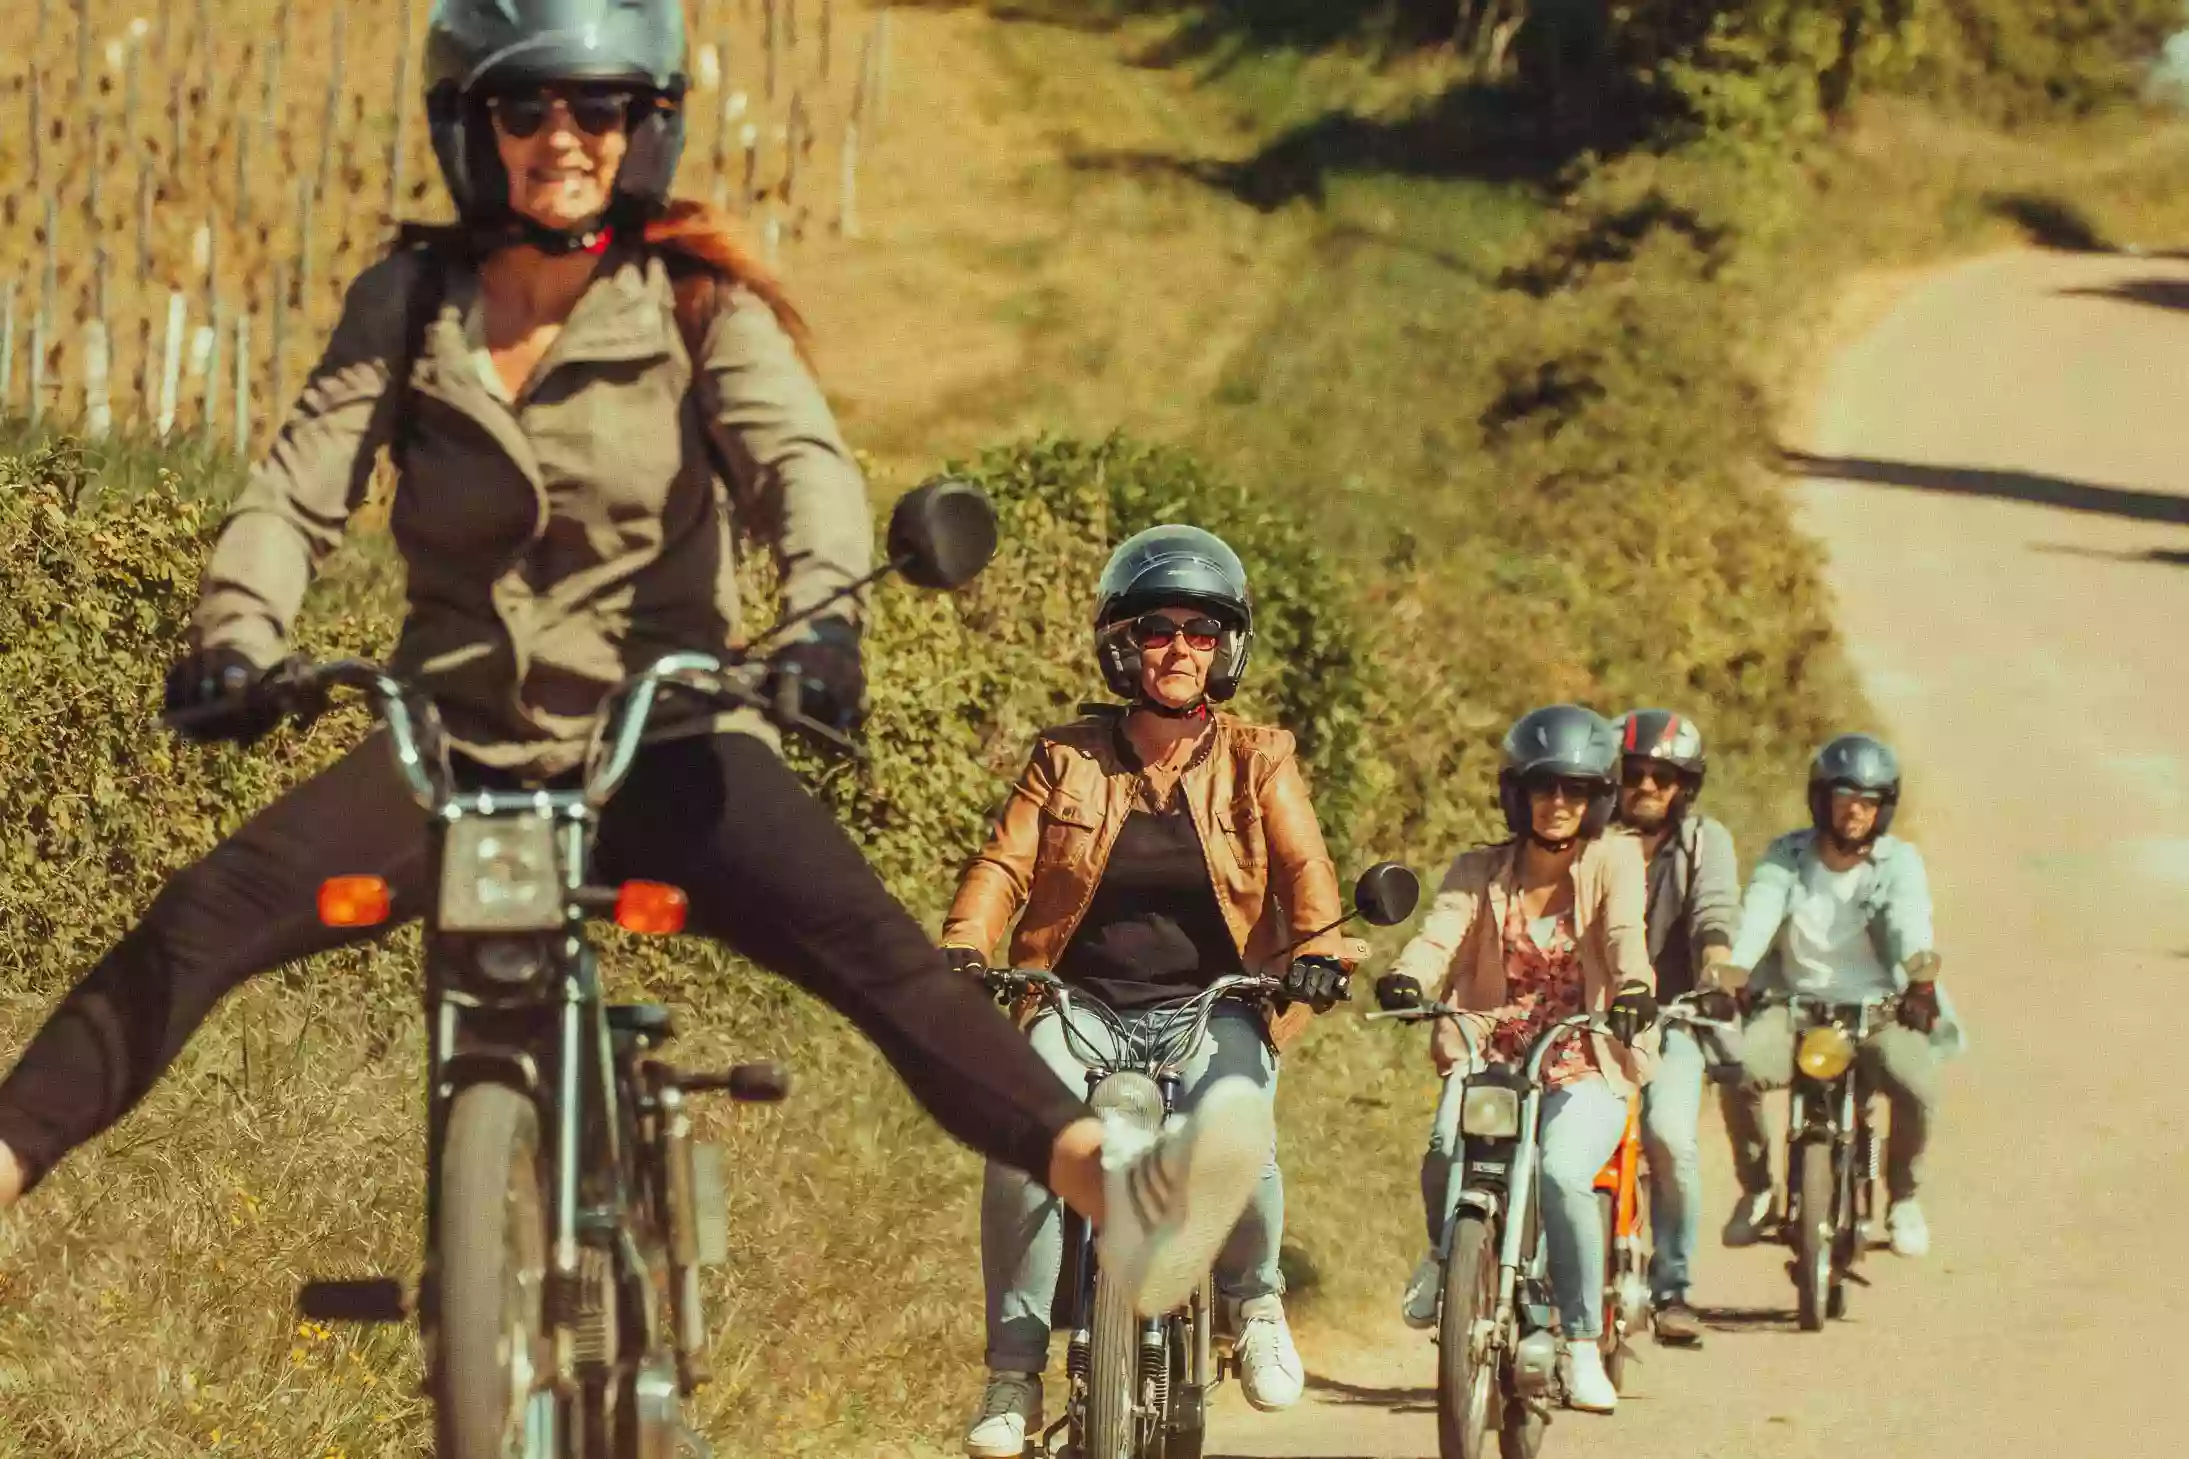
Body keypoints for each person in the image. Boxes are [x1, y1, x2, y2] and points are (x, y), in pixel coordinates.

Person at [0, 0, 1272, 1337]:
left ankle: (1115, 1186)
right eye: (526, 108)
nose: (563, 138)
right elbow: (294, 492)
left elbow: (803, 473)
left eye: (597, 108)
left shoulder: (694, 300)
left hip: (662, 737)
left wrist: (825, 624)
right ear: (468, 125)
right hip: (455, 739)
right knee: (204, 915)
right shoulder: (413, 301)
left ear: (644, 126)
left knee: (875, 952)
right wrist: (236, 638)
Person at [939, 526, 1359, 1455]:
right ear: (1122, 641)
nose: (1180, 649)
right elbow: (1002, 866)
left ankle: (1253, 1305)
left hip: (1216, 1004)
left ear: (1228, 648)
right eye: (1160, 628)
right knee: (1023, 1147)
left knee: (1241, 1132)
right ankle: (1011, 1372)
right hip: (1076, 1004)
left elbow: (1304, 866)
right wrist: (966, 945)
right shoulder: (1066, 756)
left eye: (1203, 631)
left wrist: (1318, 951)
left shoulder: (1260, 756)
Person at [1385, 704, 1658, 1415]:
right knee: (1446, 1145)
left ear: (1596, 797)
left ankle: (1578, 1341)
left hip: (1583, 1049)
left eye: (1573, 789)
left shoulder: (1614, 859)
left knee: (1565, 1173)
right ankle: (1448, 1256)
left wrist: (1632, 989)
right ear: (1518, 793)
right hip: (1490, 1048)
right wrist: (1409, 978)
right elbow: (1439, 933)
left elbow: (1626, 934)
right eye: (1544, 786)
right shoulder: (1478, 869)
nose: (1558, 802)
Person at [1717, 733, 1965, 1259]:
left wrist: (1920, 982)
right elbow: (1759, 911)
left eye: (1869, 802)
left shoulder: (1898, 862)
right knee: (1736, 1067)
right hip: (1794, 1008)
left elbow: (1909, 922)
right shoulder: (1787, 854)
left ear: (1885, 808)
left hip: (1879, 1010)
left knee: (1916, 1085)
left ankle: (1903, 1197)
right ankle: (1758, 1190)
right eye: (1846, 797)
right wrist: (1735, 971)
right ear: (1821, 798)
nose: (1856, 812)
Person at [1608, 709, 1740, 1346]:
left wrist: (1716, 971)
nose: (1648, 787)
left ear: (1685, 786)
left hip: (1675, 1015)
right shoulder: (1587, 839)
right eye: (1635, 773)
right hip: (1591, 1014)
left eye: (1664, 776)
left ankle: (1673, 1288)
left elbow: (1716, 913)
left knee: (1670, 1138)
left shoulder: (1703, 841)